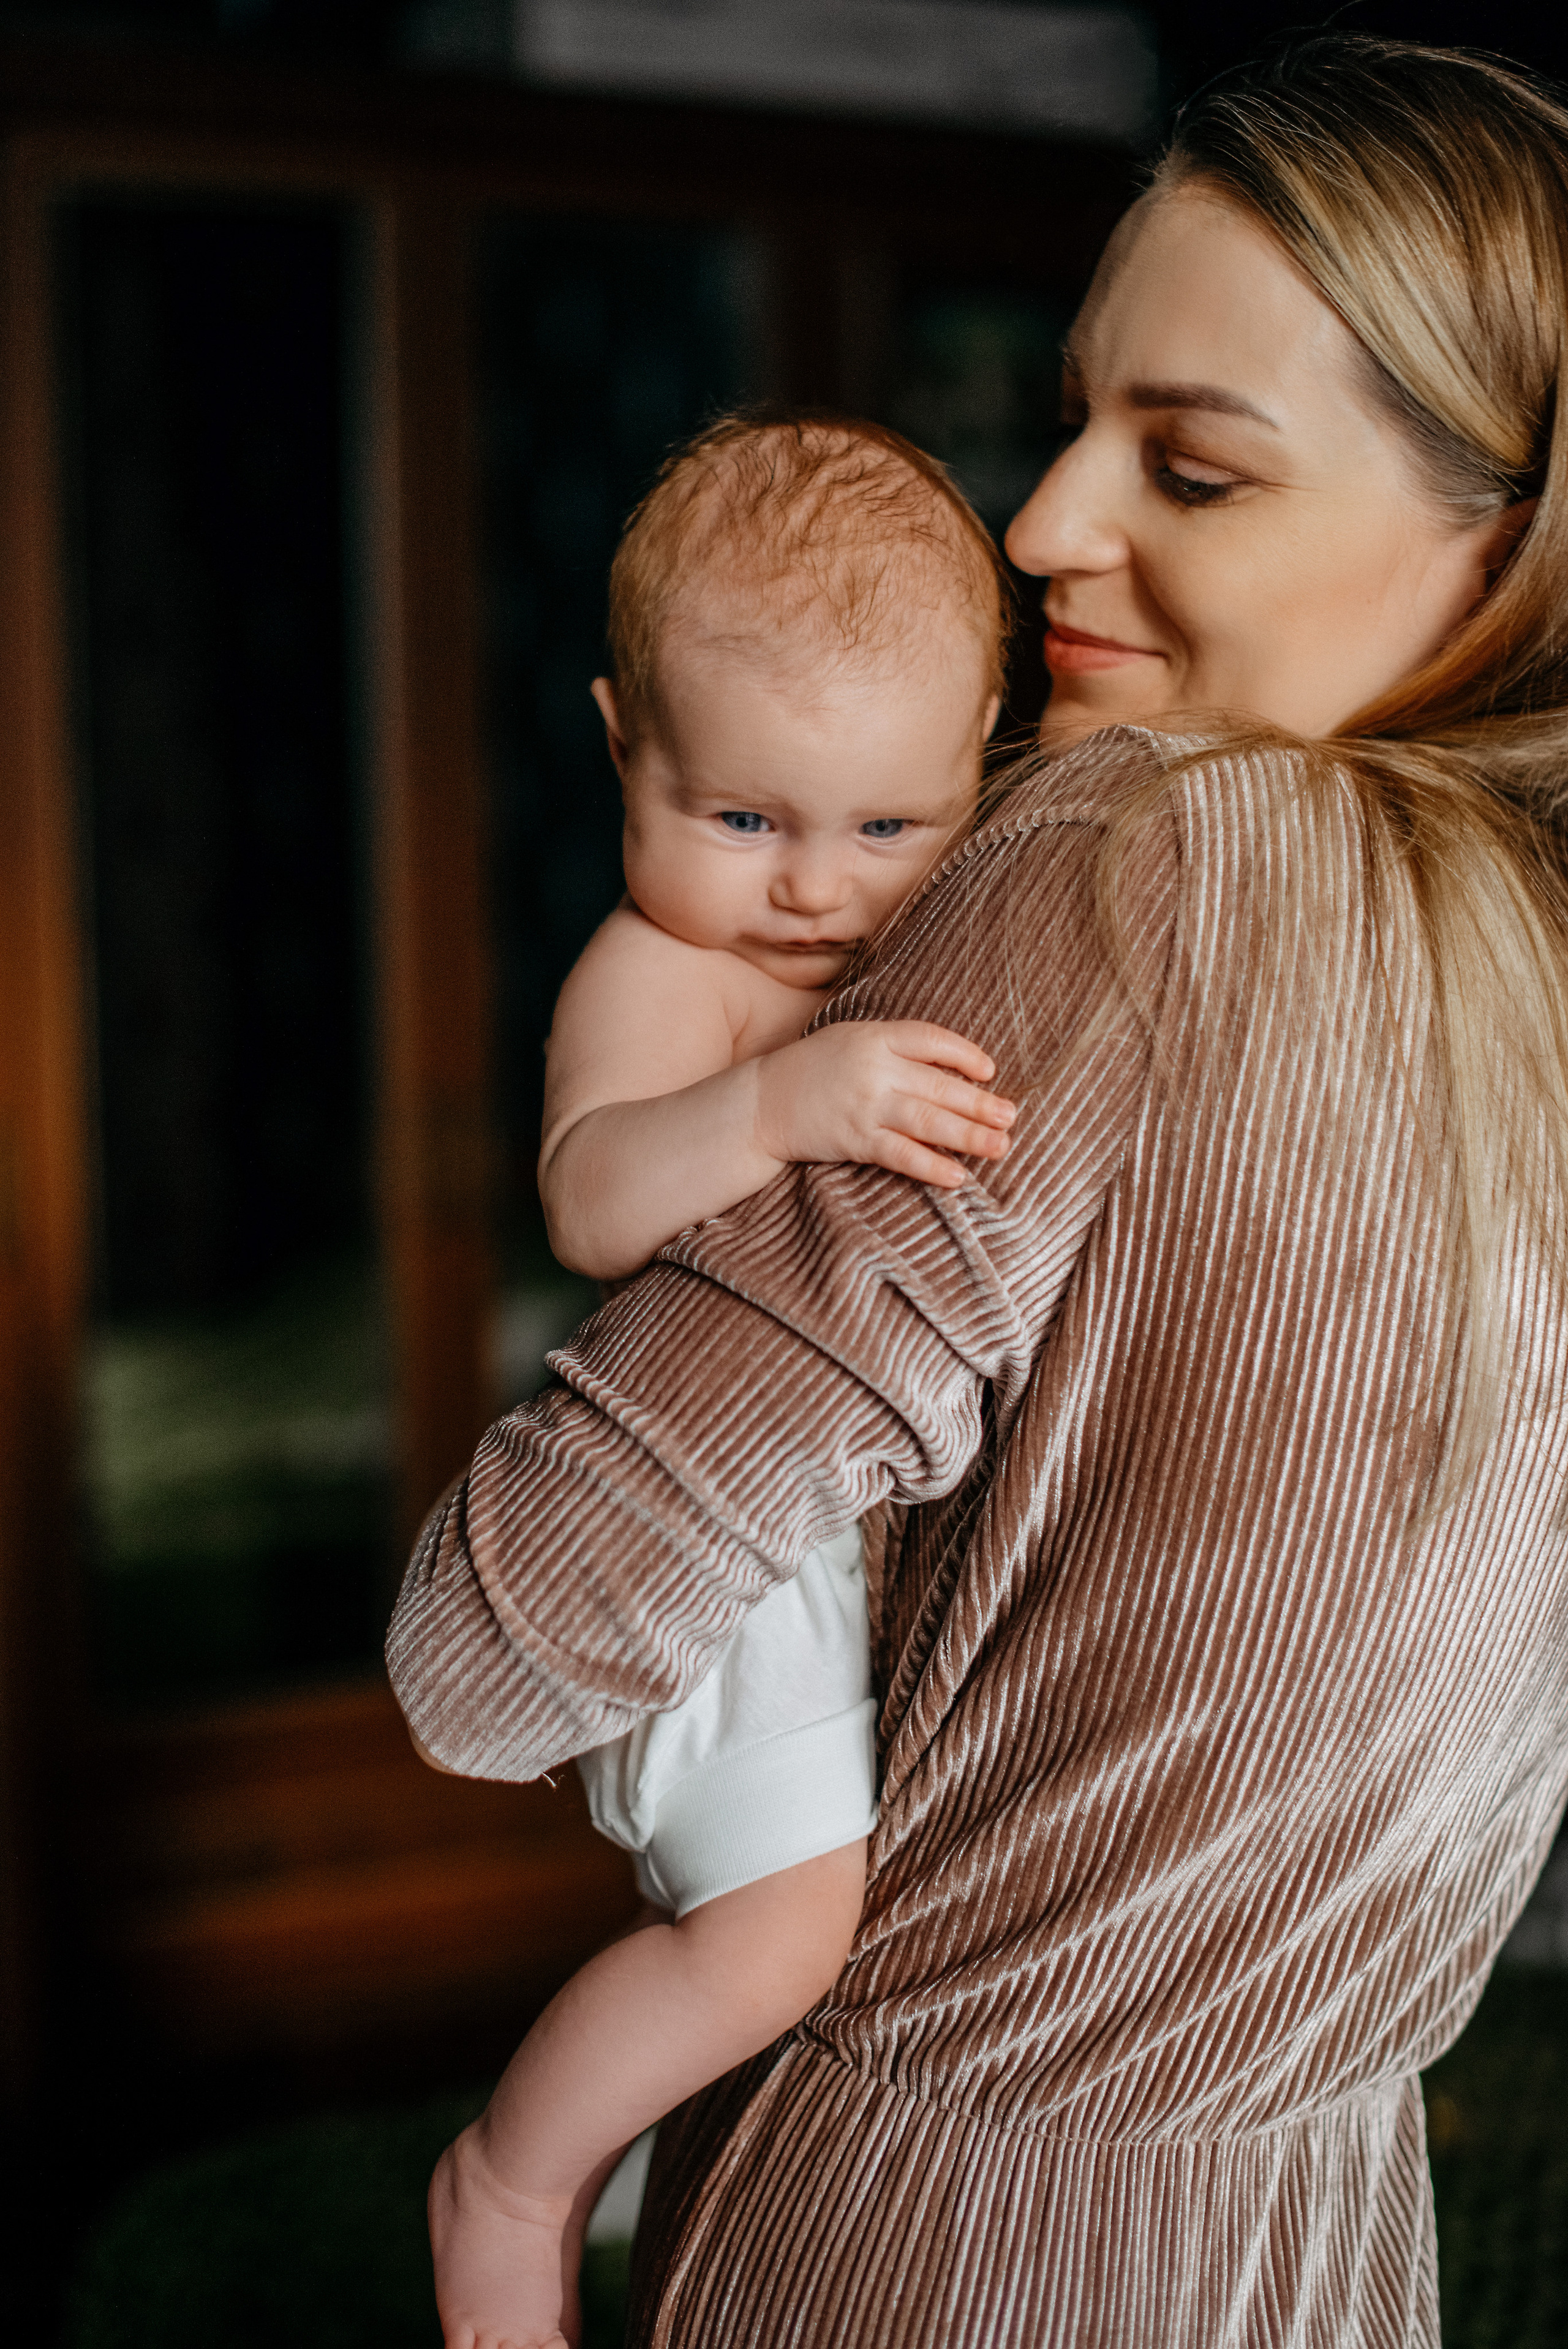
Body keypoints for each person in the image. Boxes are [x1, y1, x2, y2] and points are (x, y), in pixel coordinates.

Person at [389, 36, 1568, 2347]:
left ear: (1504, 543)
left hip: (937, 2237)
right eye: (1074, 415)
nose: (1031, 527)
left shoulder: (1142, 850)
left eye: (1192, 467)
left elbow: (498, 1640)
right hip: (1330, 2228)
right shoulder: (1524, 953)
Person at [426, 415, 1016, 2349]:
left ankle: (674, 2170)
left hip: (830, 1523)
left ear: (982, 762)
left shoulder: (934, 914)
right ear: (625, 750)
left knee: (831, 1927)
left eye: (889, 828)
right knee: (776, 1937)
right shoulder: (662, 974)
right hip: (714, 1550)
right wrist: (773, 1099)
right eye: (745, 819)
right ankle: (516, 2175)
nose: (815, 891)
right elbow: (589, 1193)